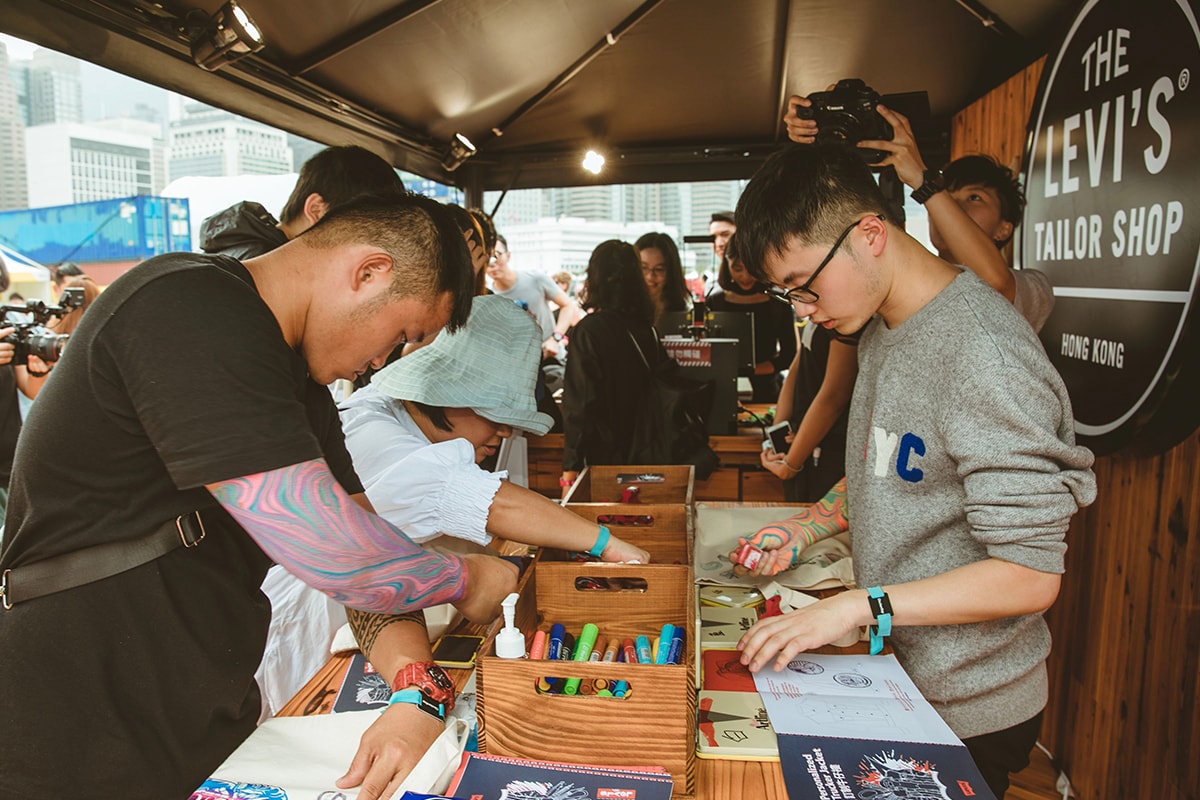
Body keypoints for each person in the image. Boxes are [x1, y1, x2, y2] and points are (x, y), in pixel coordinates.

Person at [0, 194, 519, 798]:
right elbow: (331, 549)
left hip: (203, 710)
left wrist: (415, 694)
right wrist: (466, 579)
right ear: (369, 271)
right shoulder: (186, 305)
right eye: (402, 334)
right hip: (80, 718)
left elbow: (371, 558)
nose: (384, 361)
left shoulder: (304, 390)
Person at [733, 143, 1096, 798]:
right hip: (901, 677)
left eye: (805, 285)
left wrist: (856, 607)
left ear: (870, 233)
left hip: (970, 704)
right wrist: (810, 526)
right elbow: (895, 467)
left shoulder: (986, 353)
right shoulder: (882, 327)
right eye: (790, 294)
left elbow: (1030, 574)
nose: (805, 309)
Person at [784, 95, 1053, 332]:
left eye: (974, 198)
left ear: (1004, 229)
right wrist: (823, 141)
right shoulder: (905, 283)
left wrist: (923, 181)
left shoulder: (1035, 288)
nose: (953, 207)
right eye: (949, 196)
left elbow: (995, 288)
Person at [560, 240, 665, 494]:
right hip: (646, 456)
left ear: (594, 277)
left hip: (602, 460)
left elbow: (580, 406)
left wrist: (569, 472)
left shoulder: (589, 330)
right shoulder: (647, 330)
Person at [703, 238, 797, 403]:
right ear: (727, 264)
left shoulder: (777, 302)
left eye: (751, 269)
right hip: (722, 389)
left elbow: (789, 355)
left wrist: (751, 370)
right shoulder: (714, 301)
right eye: (737, 268)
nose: (744, 276)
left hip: (768, 390)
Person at [486, 234, 579, 393]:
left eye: (496, 255)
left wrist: (555, 339)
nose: (492, 263)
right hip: (518, 372)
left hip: (551, 361)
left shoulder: (535, 279)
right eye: (486, 258)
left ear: (508, 256)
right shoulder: (489, 296)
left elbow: (568, 306)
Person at [634, 232, 690, 323]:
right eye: (643, 268)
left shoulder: (683, 316)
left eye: (659, 269)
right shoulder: (621, 314)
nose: (650, 276)